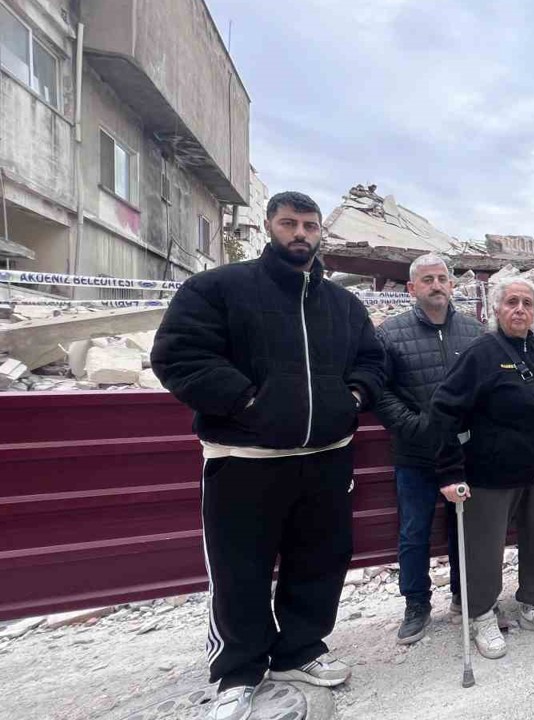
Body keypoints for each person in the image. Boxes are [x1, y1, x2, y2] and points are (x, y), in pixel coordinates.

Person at [151, 191, 386, 720]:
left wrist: (352, 399)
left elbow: (372, 362)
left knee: (320, 561)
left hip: (327, 456)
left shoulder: (344, 305)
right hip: (244, 457)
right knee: (240, 569)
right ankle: (238, 671)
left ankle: (299, 651)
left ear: (321, 232)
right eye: (289, 223)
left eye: (309, 225)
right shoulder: (219, 288)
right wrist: (248, 402)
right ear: (268, 226)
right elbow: (178, 355)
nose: (300, 233)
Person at [428, 277, 534, 660]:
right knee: (484, 551)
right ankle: (481, 615)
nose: (520, 309)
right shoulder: (481, 353)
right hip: (490, 475)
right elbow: (443, 411)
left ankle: (533, 604)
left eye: (527, 302)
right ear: (496, 308)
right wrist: (449, 472)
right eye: (512, 302)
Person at [374, 254, 483, 645]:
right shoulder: (390, 334)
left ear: (452, 285)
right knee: (414, 531)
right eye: (427, 280)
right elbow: (379, 392)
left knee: (463, 529)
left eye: (442, 278)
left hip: (463, 452)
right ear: (411, 288)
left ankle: (463, 595)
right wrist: (413, 426)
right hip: (415, 454)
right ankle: (416, 604)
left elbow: (486, 387)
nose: (436, 285)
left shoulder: (474, 332)